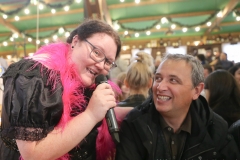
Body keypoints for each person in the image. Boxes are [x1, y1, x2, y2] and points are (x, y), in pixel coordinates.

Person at [0, 19, 132, 160]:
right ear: (75, 42)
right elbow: (32, 154)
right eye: (97, 52)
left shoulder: (88, 83)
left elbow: (93, 113)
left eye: (108, 62)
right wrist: (91, 115)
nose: (101, 65)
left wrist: (143, 110)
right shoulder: (34, 75)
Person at [115, 53, 240, 160]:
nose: (160, 87)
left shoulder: (215, 127)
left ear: (196, 90)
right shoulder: (135, 124)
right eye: (158, 78)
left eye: (173, 80)